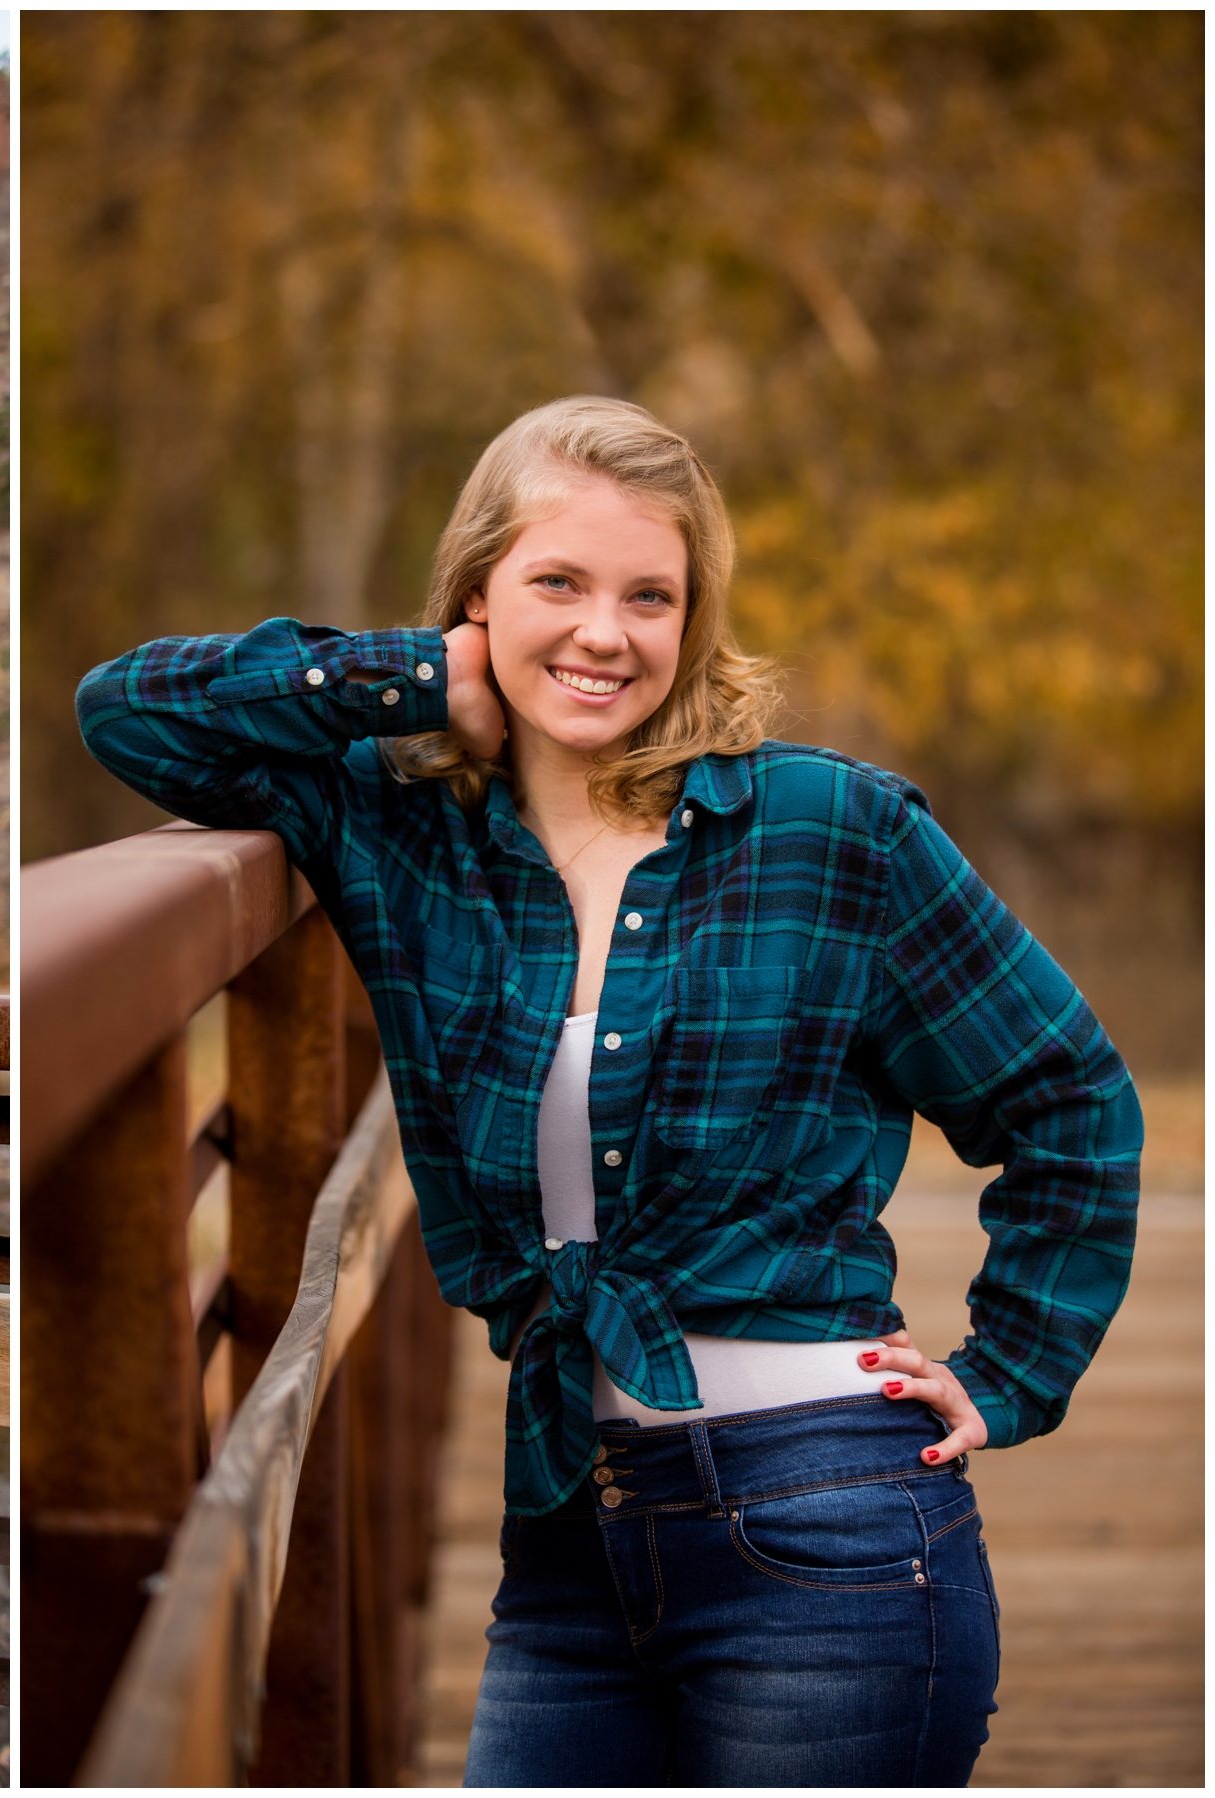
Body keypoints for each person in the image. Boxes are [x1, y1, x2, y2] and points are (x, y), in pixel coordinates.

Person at [76, 397, 1139, 1787]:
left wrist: (1010, 1368)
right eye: (556, 583)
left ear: (693, 620)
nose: (605, 633)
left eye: (652, 595)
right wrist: (412, 681)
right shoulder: (395, 826)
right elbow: (129, 710)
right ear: (476, 594)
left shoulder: (828, 832)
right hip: (569, 1530)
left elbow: (1069, 1100)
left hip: (832, 1533)